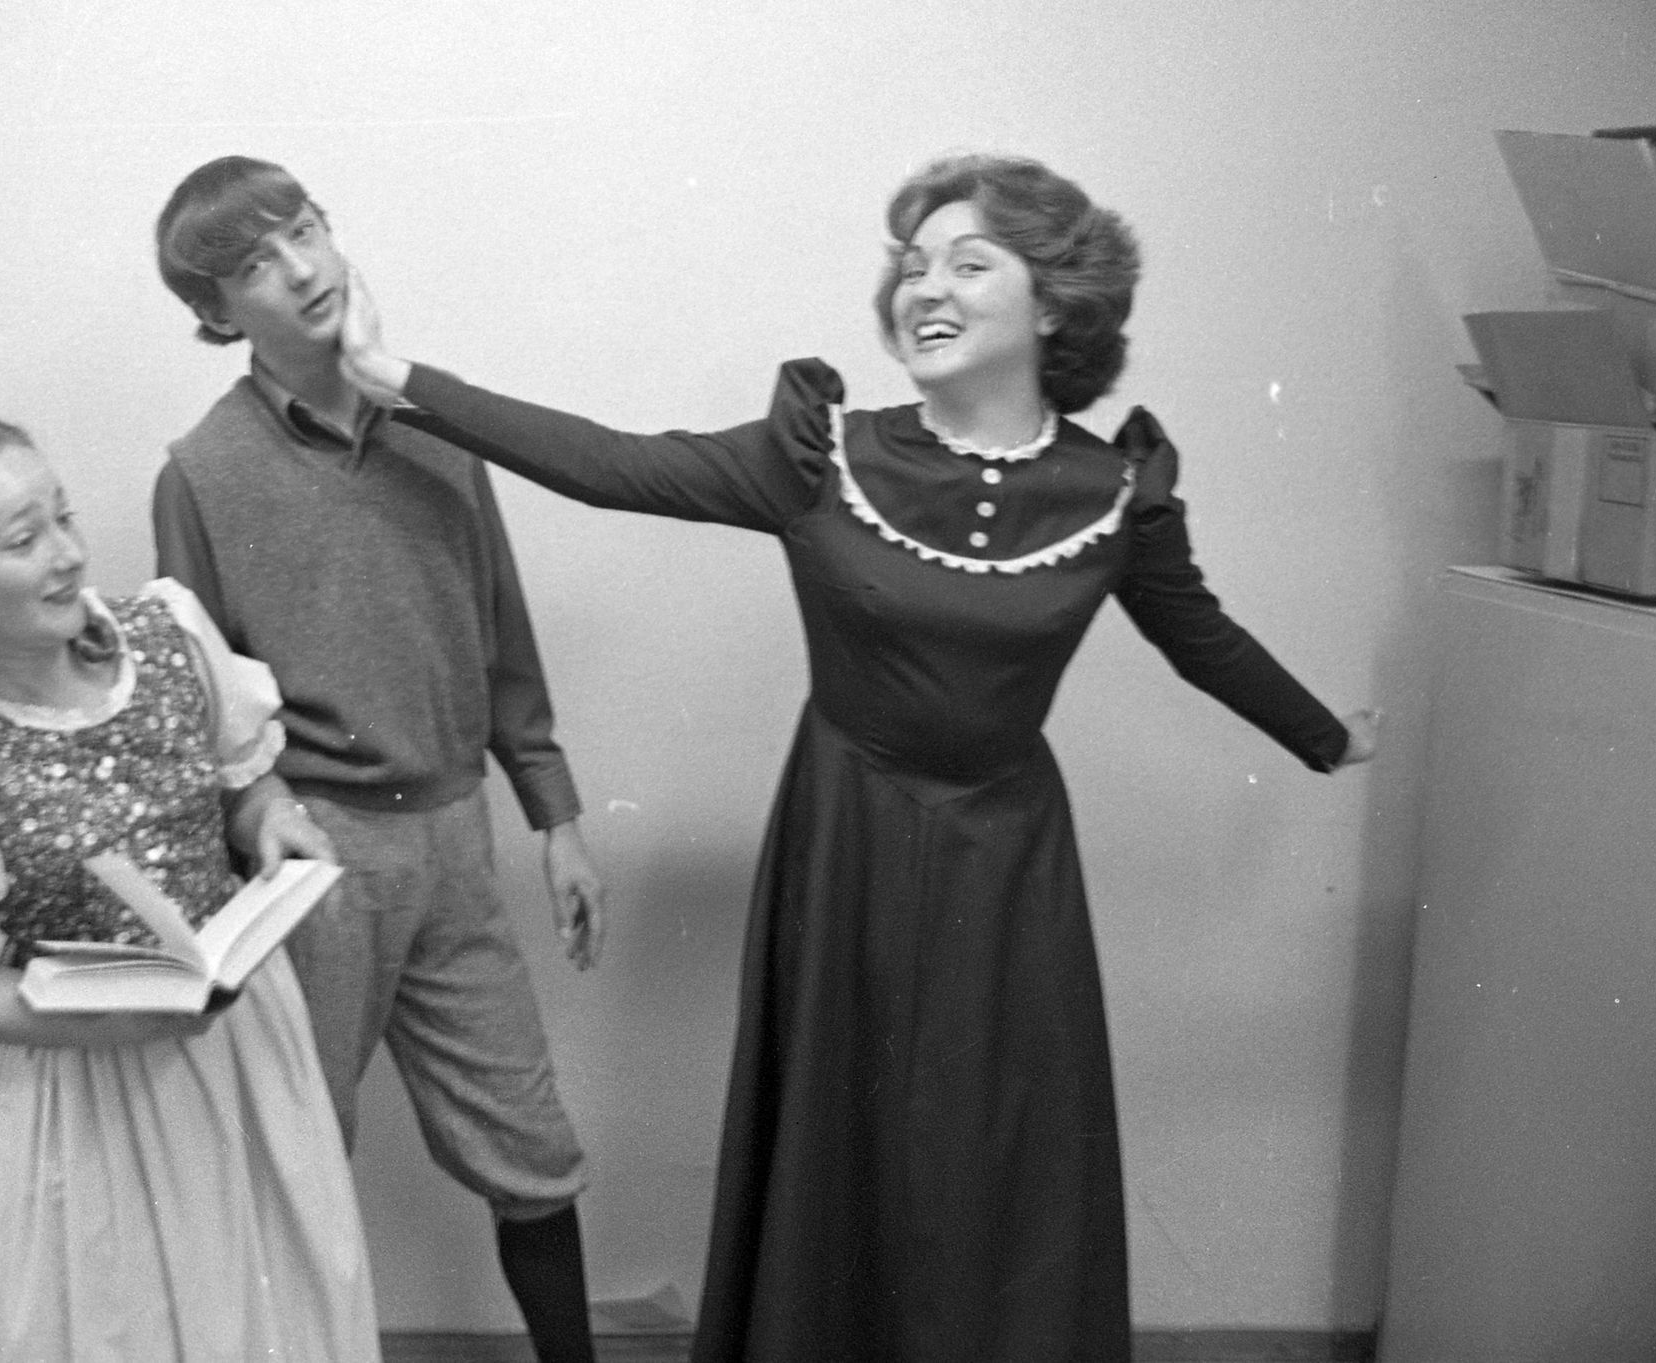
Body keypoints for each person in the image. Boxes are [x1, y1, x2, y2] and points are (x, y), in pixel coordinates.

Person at [339, 153, 1380, 1363]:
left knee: (991, 1146)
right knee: (846, 1135)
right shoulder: (821, 456)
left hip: (1009, 866)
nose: (925, 287)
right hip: (846, 845)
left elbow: (1200, 633)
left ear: (1054, 305)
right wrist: (397, 379)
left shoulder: (1114, 493)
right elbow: (612, 462)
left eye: (969, 263)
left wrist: (1325, 734)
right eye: (913, 265)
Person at [150, 157, 605, 1363]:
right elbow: (202, 703)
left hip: (455, 836)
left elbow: (502, 637)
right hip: (319, 859)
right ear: (215, 312)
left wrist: (555, 815)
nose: (302, 269)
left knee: (532, 1148)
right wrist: (261, 810)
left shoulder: (442, 433)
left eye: (306, 231)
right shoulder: (200, 473)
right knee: (297, 1154)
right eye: (256, 264)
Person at [0, 414, 381, 1363]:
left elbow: (244, 778)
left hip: (241, 1045)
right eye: (23, 539)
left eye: (65, 517)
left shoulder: (167, 637)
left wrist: (271, 815)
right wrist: (107, 1019)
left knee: (271, 1306)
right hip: (82, 1084)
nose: (68, 554)